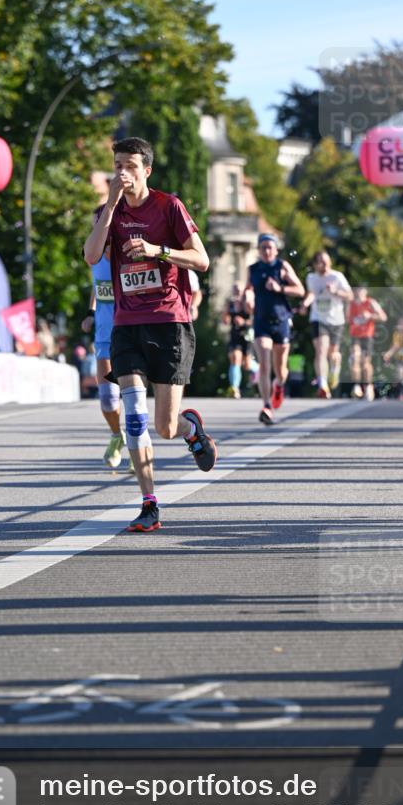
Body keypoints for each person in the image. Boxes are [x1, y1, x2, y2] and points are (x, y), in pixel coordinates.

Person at [83, 136, 216, 533]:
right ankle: (149, 503)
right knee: (136, 419)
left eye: (130, 166)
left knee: (165, 427)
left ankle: (190, 429)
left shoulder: (168, 206)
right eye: (118, 165)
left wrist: (159, 250)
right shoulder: (113, 212)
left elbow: (202, 260)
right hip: (127, 324)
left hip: (169, 321)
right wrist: (108, 206)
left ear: (147, 171)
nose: (123, 172)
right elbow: (91, 256)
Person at [80, 252, 132, 471]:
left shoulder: (128, 253)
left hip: (130, 331)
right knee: (108, 400)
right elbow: (97, 284)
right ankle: (116, 435)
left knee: (132, 397)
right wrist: (91, 312)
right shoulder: (94, 255)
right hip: (104, 334)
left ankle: (139, 447)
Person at [246, 233, 304, 424]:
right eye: (263, 247)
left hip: (281, 320)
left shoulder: (283, 266)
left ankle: (278, 384)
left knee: (281, 370)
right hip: (261, 321)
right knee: (264, 362)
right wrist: (247, 298)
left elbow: (300, 290)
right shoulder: (252, 269)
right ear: (259, 250)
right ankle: (266, 405)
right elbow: (248, 289)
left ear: (276, 250)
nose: (267, 251)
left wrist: (280, 288)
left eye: (270, 247)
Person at [300, 250, 353, 399]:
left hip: (336, 320)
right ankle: (322, 384)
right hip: (318, 318)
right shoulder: (311, 278)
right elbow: (311, 294)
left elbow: (350, 295)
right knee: (320, 351)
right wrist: (305, 304)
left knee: (333, 354)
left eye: (326, 262)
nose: (324, 265)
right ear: (315, 264)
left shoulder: (337, 277)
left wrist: (335, 291)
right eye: (321, 263)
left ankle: (334, 370)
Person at [347, 287, 387, 401]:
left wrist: (370, 316)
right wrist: (354, 319)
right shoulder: (351, 304)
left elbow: (383, 317)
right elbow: (347, 319)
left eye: (361, 291)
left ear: (365, 292)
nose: (359, 293)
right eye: (357, 291)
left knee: (365, 363)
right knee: (355, 358)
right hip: (355, 336)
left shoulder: (371, 302)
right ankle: (356, 385)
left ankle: (368, 386)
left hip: (367, 336)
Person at [222, 282, 254, 399]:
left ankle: (259, 370)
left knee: (247, 365)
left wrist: (244, 322)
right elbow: (225, 321)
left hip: (247, 337)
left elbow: (256, 320)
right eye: (235, 289)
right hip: (235, 336)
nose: (237, 292)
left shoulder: (248, 302)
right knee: (235, 358)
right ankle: (234, 388)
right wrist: (226, 311)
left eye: (239, 289)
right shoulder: (230, 303)